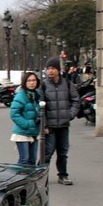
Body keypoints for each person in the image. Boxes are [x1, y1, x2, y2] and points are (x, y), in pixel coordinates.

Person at [40, 56, 81, 185]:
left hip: (63, 124)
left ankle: (63, 175)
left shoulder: (67, 84)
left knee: (63, 152)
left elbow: (75, 100)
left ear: (58, 70)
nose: (50, 71)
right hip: (50, 126)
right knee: (47, 152)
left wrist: (70, 114)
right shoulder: (43, 85)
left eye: (53, 68)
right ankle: (41, 176)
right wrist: (44, 124)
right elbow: (40, 106)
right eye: (48, 69)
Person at [10, 72, 42, 166]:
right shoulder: (20, 96)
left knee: (32, 160)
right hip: (22, 133)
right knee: (24, 159)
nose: (32, 83)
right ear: (24, 82)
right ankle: (18, 178)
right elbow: (14, 114)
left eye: (34, 80)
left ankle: (30, 179)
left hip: (34, 132)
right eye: (29, 81)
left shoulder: (37, 95)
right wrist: (28, 124)